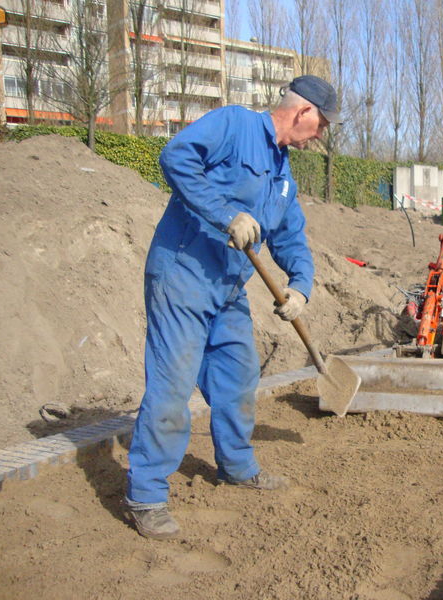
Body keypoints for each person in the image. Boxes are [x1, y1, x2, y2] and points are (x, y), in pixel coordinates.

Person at [125, 75, 342, 540]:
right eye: (321, 124)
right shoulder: (234, 124)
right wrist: (227, 214)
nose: (321, 134)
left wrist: (300, 286)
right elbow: (175, 157)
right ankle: (146, 495)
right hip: (183, 276)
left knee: (240, 376)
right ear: (302, 112)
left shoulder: (284, 179)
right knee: (172, 385)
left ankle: (237, 467)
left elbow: (291, 238)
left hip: (227, 289)